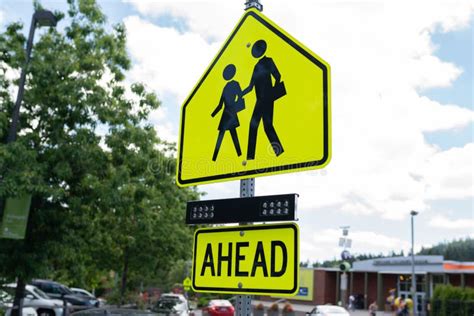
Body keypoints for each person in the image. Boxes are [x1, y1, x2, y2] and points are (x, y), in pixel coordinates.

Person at [243, 39, 286, 160]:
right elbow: (251, 87)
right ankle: (251, 158)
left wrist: (272, 92)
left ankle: (279, 152)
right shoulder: (256, 67)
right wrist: (241, 94)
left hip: (266, 99)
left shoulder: (268, 61)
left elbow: (277, 76)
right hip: (260, 100)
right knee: (258, 126)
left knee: (265, 126)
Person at [211, 64, 244, 161]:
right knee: (231, 134)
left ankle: (215, 158)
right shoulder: (232, 85)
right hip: (230, 112)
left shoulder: (227, 86)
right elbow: (240, 96)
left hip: (227, 113)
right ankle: (239, 155)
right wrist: (212, 115)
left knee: (226, 135)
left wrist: (213, 115)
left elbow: (220, 105)